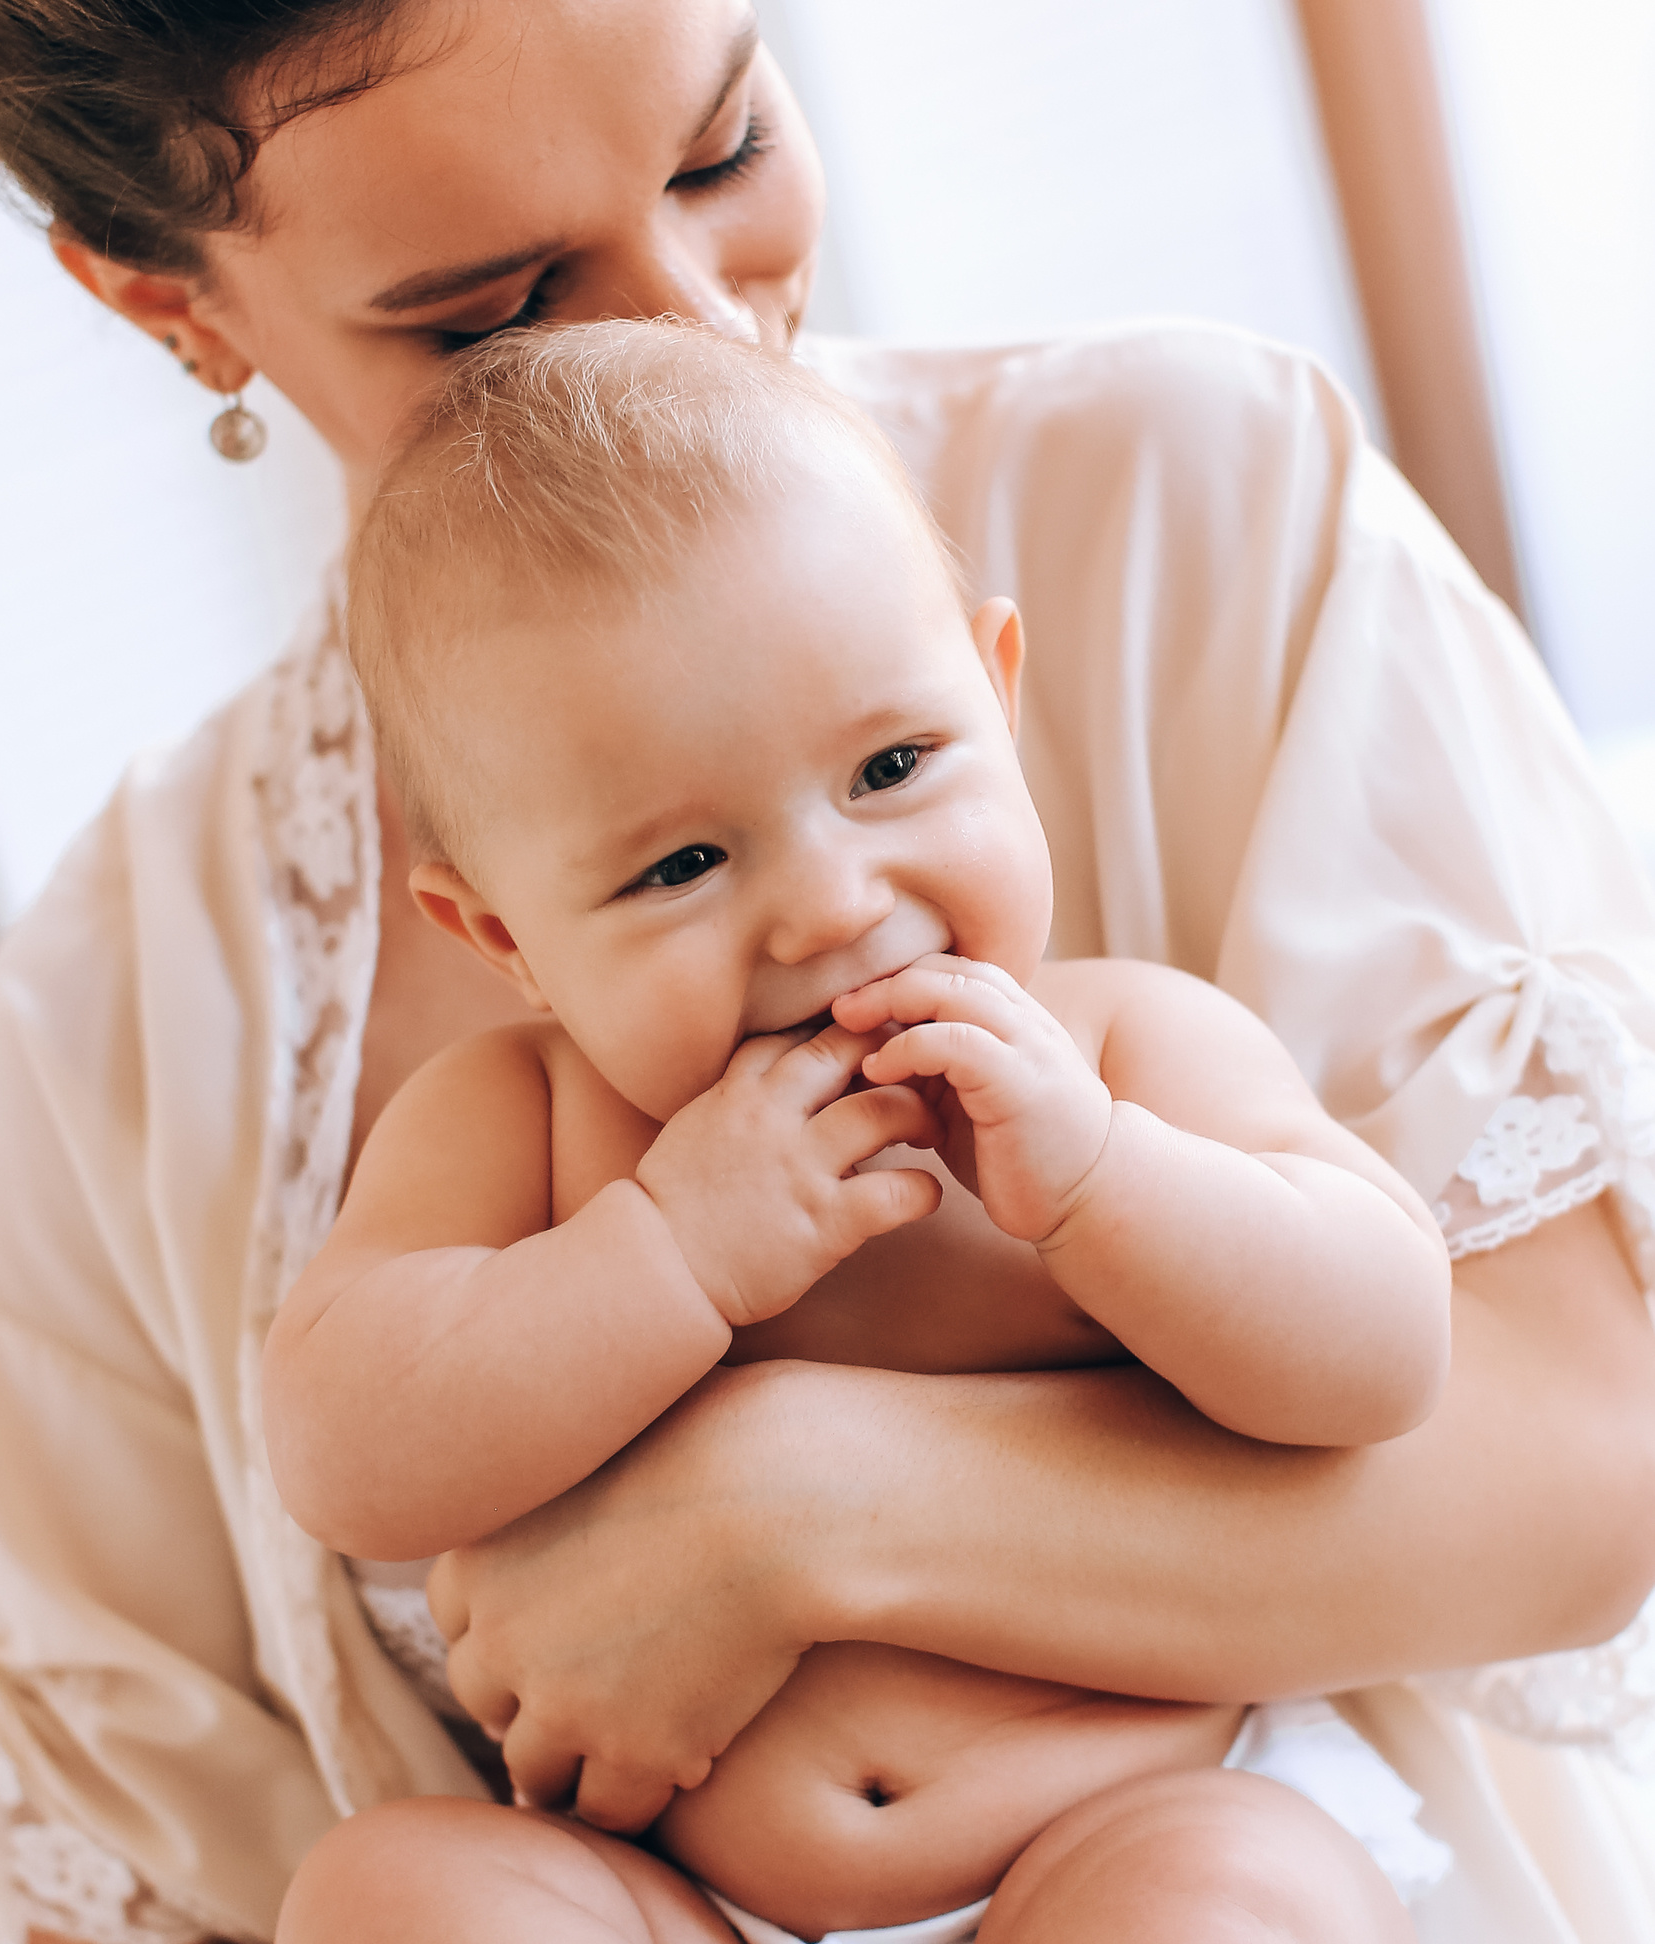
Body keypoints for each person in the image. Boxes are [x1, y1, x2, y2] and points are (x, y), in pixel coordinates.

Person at [0, 0, 1655, 1942]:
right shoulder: (126, 1020)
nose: (699, 336)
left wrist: (785, 1503)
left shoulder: (1187, 510)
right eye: (495, 313)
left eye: (724, 144)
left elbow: (1574, 1451)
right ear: (157, 294)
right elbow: (147, 1864)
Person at [264, 321, 1454, 1943]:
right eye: (680, 869)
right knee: (391, 1896)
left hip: (1126, 1827)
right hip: (684, 1899)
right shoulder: (522, 1120)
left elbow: (1384, 1350)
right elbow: (345, 1453)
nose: (830, 904)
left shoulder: (1120, 1046)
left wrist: (1108, 1178)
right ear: (506, 941)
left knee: (1229, 1904)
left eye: (892, 766)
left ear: (1000, 693)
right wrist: (665, 1250)